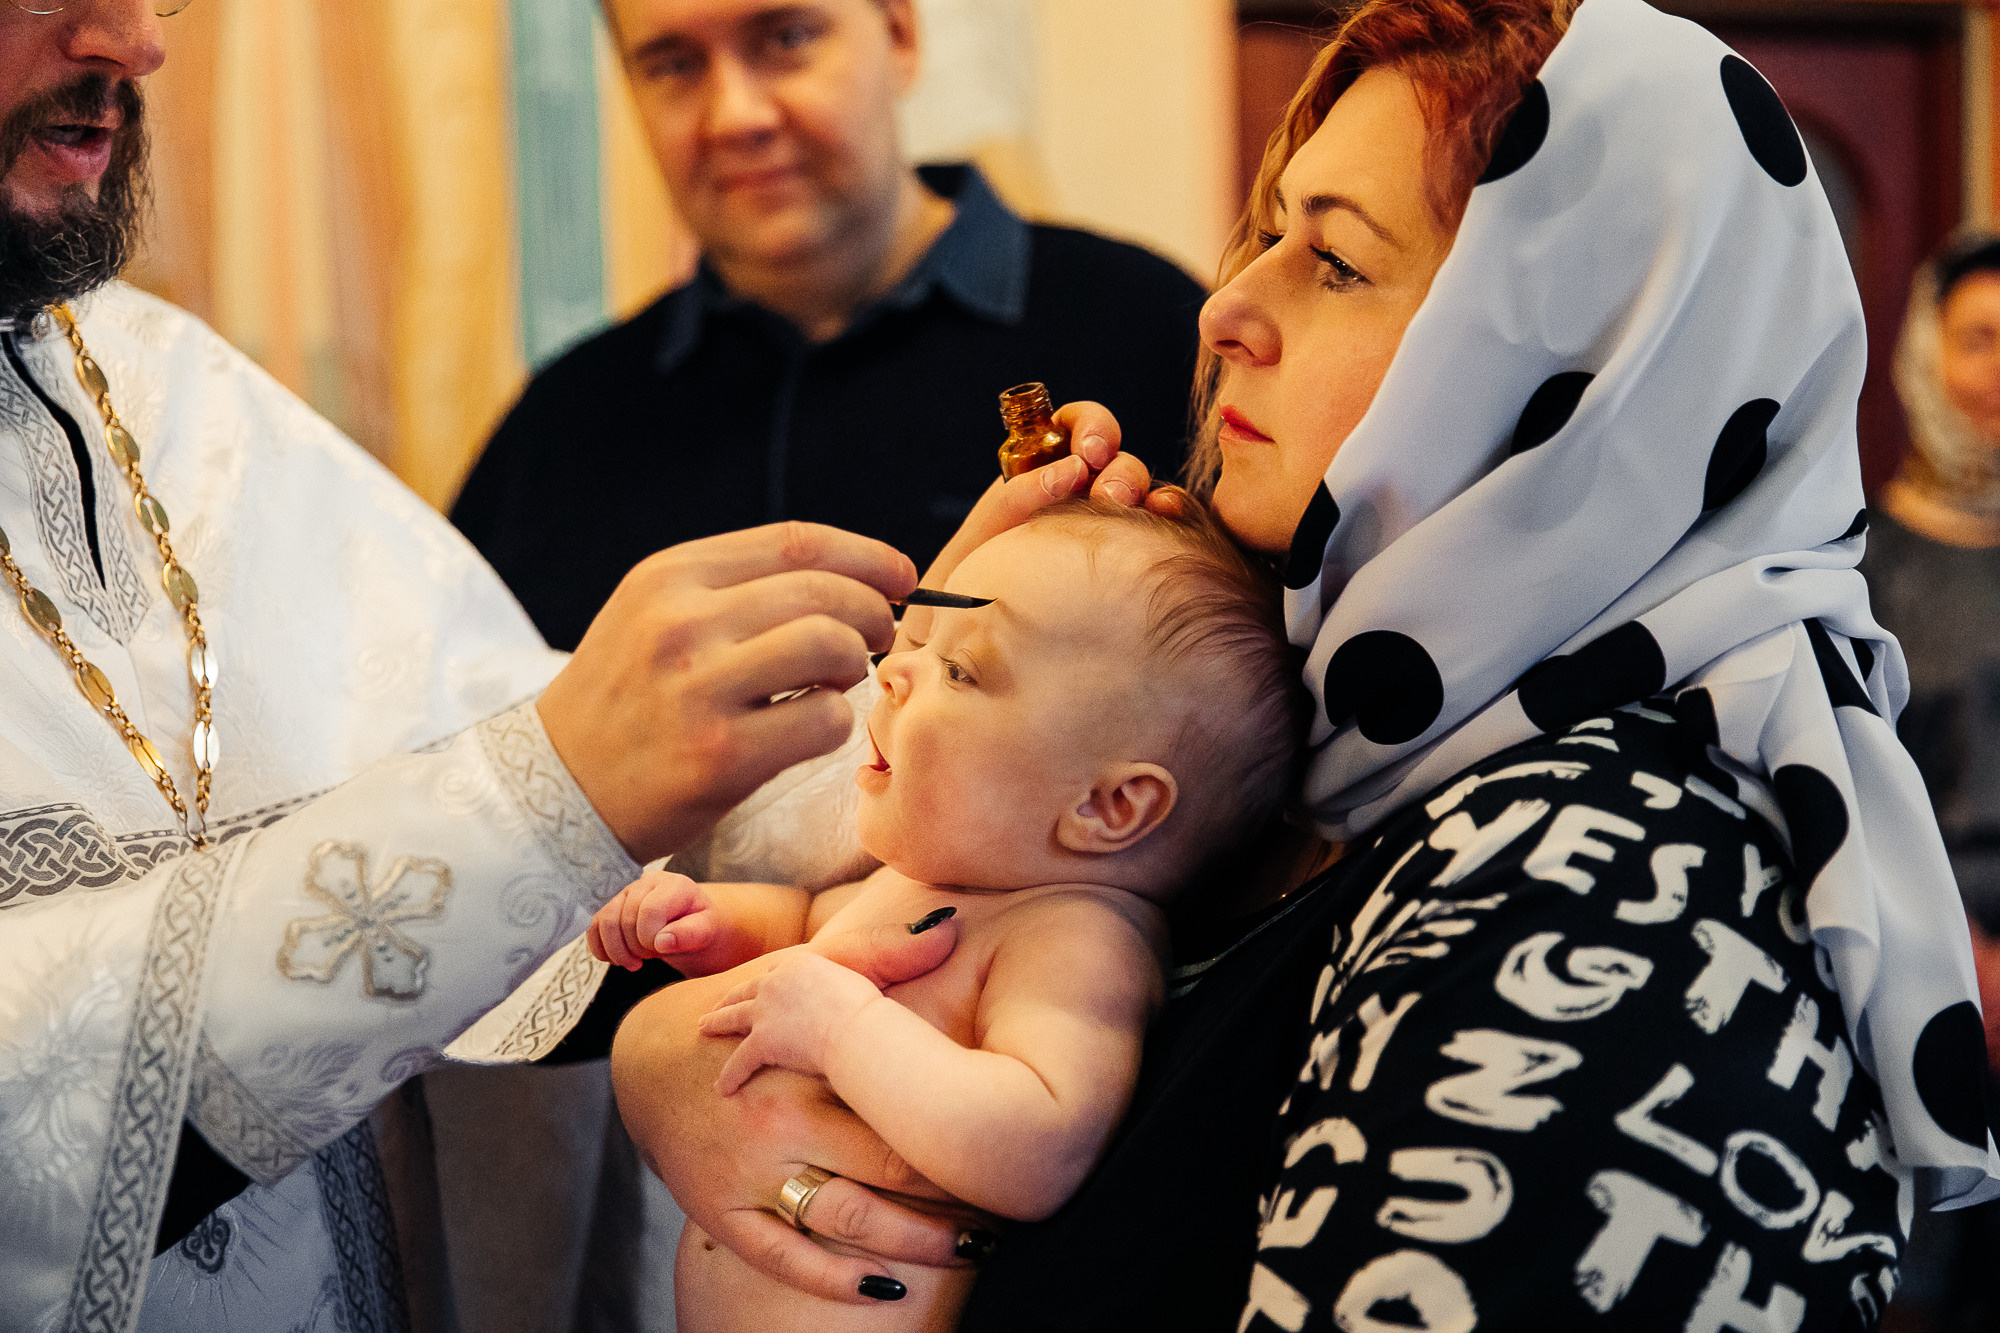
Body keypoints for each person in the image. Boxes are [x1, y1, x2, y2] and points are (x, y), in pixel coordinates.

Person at [609, 0, 2000, 1326]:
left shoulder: (1613, 882)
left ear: (1580, 365)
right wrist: (694, 1058)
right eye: (1265, 235)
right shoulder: (1357, 766)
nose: (1224, 310)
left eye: (1334, 260)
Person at [0, 2, 976, 1330]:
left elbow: (540, 741)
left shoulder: (173, 391)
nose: (132, 40)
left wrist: (991, 678)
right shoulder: (575, 418)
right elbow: (543, 782)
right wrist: (543, 797)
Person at [588, 498, 1308, 1330]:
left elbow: (1043, 1140)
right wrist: (708, 921)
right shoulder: (938, 879)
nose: (892, 672)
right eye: (916, 642)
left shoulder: (1076, 936)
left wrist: (844, 1030)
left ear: (1110, 805)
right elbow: (812, 923)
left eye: (960, 670)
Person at [449, 0, 1209, 654]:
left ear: (900, 35)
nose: (735, 116)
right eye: (674, 65)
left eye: (786, 38)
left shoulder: (1152, 329)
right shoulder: (559, 428)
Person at [1859, 235, 2000, 1333]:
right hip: (1925, 992)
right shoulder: (1856, 564)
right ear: (1921, 354)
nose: (1996, 371)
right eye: (1976, 340)